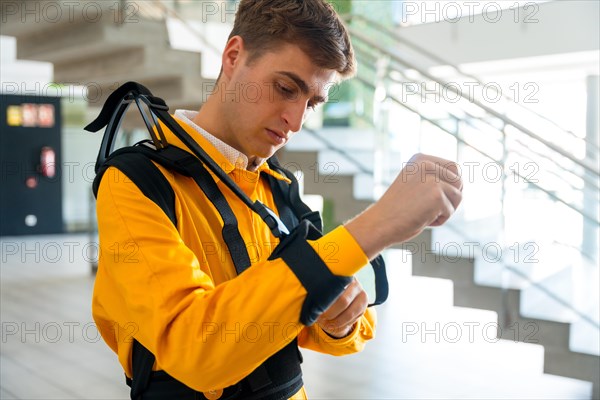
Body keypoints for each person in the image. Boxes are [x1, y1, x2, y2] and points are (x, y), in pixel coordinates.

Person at [91, 0, 463, 399]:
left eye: (312, 103)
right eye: (286, 89)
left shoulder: (277, 184)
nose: (297, 121)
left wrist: (339, 321)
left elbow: (305, 320)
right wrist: (378, 226)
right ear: (234, 56)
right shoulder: (136, 182)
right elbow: (195, 348)